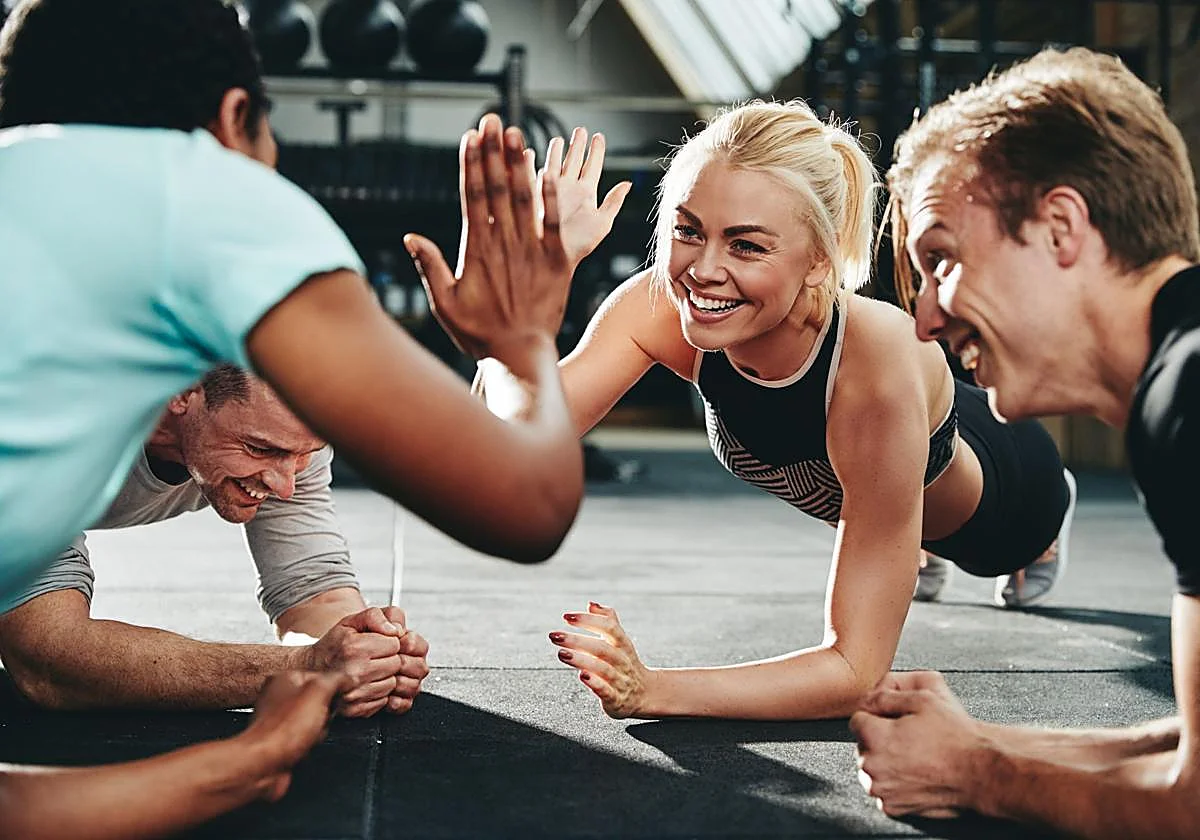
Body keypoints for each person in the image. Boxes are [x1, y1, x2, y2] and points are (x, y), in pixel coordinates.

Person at [0, 0, 581, 836]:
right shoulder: (208, 197)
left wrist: (337, 669)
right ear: (235, 118)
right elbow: (530, 504)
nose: (285, 475)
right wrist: (521, 342)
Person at [469, 102, 1074, 722]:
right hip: (893, 457)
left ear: (819, 261)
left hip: (1007, 500)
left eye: (746, 246)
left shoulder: (873, 363)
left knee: (959, 530)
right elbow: (499, 448)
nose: (703, 271)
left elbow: (855, 673)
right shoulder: (661, 307)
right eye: (688, 231)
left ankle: (1000, 539)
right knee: (885, 504)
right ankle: (901, 535)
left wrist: (654, 689)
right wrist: (529, 285)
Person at [849, 47, 1200, 837]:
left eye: (942, 260)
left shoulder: (1189, 395)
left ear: (1060, 227)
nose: (926, 321)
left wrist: (977, 774)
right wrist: (986, 744)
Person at [0, 364, 429, 719]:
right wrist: (302, 668)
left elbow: (315, 593)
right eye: (258, 449)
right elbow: (48, 660)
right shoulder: (41, 423)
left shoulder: (288, 433)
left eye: (302, 455)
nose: (285, 485)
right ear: (182, 391)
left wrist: (368, 654)